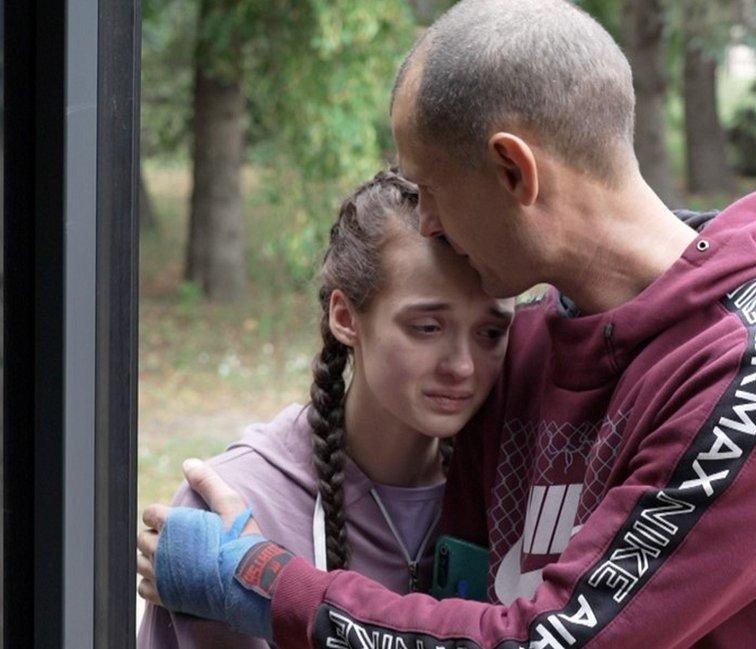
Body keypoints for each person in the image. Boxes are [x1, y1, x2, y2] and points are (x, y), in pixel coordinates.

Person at [137, 1, 756, 647]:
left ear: (513, 171)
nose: (425, 221)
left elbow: (551, 637)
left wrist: (261, 579)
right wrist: (258, 494)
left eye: (430, 187)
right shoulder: (523, 347)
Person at [136, 169, 516, 647]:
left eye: (491, 333)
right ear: (345, 317)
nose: (462, 366)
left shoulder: (511, 498)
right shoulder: (226, 516)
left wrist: (263, 585)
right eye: (427, 327)